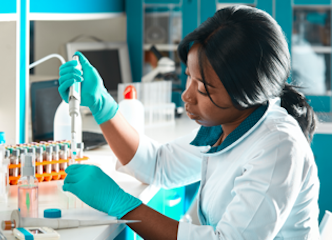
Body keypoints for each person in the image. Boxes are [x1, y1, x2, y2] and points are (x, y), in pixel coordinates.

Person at [58, 5, 320, 240]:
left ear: (246, 94)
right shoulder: (229, 127)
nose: (187, 95)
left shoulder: (278, 146)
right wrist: (102, 103)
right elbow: (158, 165)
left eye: (204, 89)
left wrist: (122, 205)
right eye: (189, 77)